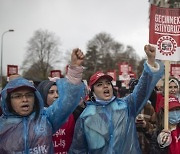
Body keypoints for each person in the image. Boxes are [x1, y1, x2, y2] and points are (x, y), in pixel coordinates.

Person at [69, 44, 164, 154]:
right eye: (99, 84)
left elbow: (142, 90)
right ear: (93, 91)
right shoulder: (85, 117)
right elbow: (78, 150)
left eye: (108, 83)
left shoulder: (126, 106)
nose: (105, 86)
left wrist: (151, 62)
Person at [0, 48, 85, 153]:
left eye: (29, 95)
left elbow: (66, 101)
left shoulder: (46, 119)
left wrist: (75, 69)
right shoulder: (2, 126)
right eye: (18, 96)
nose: (25, 99)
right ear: (9, 100)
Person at [37, 78, 86, 154]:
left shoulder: (73, 114)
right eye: (51, 92)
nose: (56, 95)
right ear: (42, 95)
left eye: (58, 92)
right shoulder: (35, 117)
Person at [129, 78, 158, 154]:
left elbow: (155, 131)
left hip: (146, 149)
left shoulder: (149, 108)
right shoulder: (125, 107)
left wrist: (146, 125)